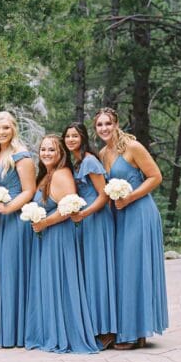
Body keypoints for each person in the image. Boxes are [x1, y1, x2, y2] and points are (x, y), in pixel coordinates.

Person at [94, 108, 168, 349]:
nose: (104, 128)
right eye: (99, 125)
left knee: (135, 268)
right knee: (123, 270)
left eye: (108, 123)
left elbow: (156, 177)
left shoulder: (132, 147)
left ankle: (136, 332)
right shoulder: (103, 153)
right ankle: (126, 328)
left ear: (116, 124)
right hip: (118, 216)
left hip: (139, 212)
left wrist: (130, 198)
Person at [24, 135, 99, 354]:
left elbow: (68, 208)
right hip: (46, 236)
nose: (46, 153)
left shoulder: (61, 174)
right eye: (43, 150)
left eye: (52, 150)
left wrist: (44, 222)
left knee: (60, 283)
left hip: (58, 236)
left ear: (60, 154)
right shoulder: (47, 175)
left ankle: (64, 334)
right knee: (48, 283)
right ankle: (49, 330)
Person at [63, 122, 117, 346]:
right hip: (83, 222)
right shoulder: (74, 163)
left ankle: (107, 329)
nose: (71, 140)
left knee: (98, 272)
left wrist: (84, 214)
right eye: (67, 136)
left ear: (83, 138)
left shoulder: (89, 161)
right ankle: (91, 325)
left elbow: (103, 196)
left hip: (96, 220)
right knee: (87, 274)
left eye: (75, 136)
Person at [0, 111, 36, 348]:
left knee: (14, 270)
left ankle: (20, 331)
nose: (2, 132)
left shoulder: (21, 155)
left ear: (14, 128)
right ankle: (7, 328)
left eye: (6, 128)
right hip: (1, 219)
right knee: (3, 271)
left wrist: (8, 208)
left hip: (18, 218)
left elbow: (29, 190)